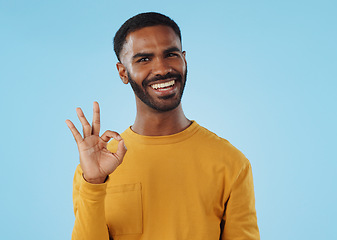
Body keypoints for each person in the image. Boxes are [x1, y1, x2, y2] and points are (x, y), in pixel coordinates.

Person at [66, 12, 260, 240]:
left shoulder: (231, 162)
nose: (161, 69)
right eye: (144, 59)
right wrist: (94, 183)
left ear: (184, 59)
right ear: (123, 72)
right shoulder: (96, 168)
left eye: (171, 54)